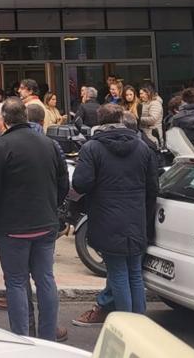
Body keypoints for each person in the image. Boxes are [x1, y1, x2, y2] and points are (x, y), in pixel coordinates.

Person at [0, 97, 69, 343]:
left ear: (5, 120)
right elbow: (63, 182)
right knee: (45, 278)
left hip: (13, 227)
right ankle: (47, 338)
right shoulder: (48, 143)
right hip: (45, 223)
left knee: (16, 282)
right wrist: (53, 207)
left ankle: (22, 339)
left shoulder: (1, 146)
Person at [72, 104, 158, 326]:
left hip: (106, 217)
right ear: (121, 118)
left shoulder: (92, 148)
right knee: (135, 273)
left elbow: (81, 183)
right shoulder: (142, 147)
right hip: (136, 218)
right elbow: (153, 186)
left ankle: (126, 326)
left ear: (99, 122)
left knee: (118, 272)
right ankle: (140, 325)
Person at [137, 83, 163, 148]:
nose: (140, 96)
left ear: (148, 93)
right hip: (146, 134)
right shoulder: (144, 103)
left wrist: (138, 119)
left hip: (152, 135)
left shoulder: (155, 103)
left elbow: (153, 119)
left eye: (141, 93)